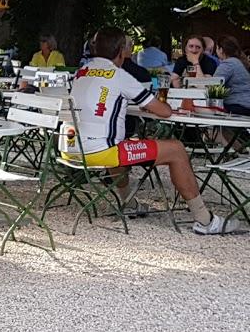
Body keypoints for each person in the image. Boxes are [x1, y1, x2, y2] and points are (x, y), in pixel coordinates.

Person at [61, 25, 242, 235]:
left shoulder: (82, 72)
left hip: (71, 148)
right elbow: (163, 111)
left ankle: (128, 204)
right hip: (99, 152)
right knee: (175, 148)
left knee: (117, 142)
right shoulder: (119, 76)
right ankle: (205, 220)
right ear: (122, 51)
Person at [213, 36, 250, 116]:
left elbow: (214, 84)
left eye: (216, 48)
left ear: (221, 49)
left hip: (237, 106)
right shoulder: (239, 62)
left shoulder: (228, 64)